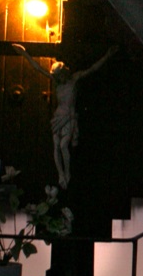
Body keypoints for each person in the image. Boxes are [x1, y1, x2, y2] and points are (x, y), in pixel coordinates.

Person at [12, 43, 116, 187]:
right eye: (56, 76)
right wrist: (24, 54)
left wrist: (107, 56)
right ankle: (61, 174)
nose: (57, 78)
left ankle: (67, 172)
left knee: (63, 145)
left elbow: (92, 69)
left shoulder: (74, 79)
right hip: (58, 115)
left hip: (68, 116)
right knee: (56, 146)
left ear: (63, 73)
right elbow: (38, 68)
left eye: (59, 75)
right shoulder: (56, 82)